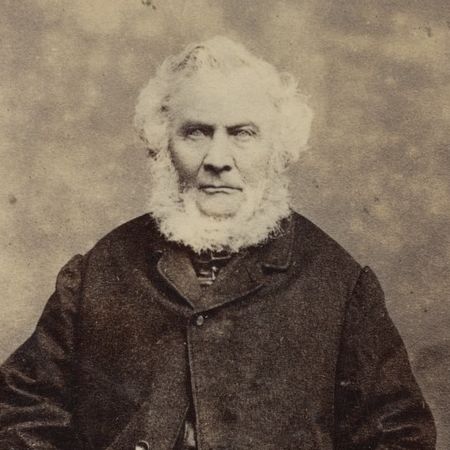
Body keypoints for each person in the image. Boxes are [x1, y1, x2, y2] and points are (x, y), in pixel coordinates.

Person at [0, 36, 436, 450]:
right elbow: (22, 412)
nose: (218, 160)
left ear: (278, 148)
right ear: (162, 143)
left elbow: (398, 434)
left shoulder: (338, 284)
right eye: (196, 132)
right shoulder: (99, 271)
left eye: (243, 133)